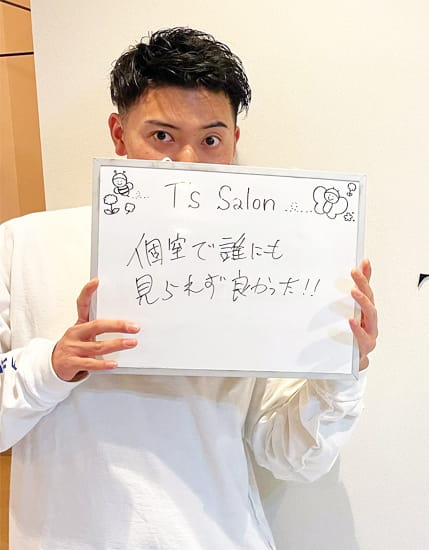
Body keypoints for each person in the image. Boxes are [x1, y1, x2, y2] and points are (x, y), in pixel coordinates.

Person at [0, 27, 377, 549]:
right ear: (118, 134)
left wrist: (341, 367)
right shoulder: (25, 245)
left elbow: (293, 458)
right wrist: (52, 366)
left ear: (233, 143)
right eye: (161, 136)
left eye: (210, 140)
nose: (187, 161)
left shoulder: (264, 260)